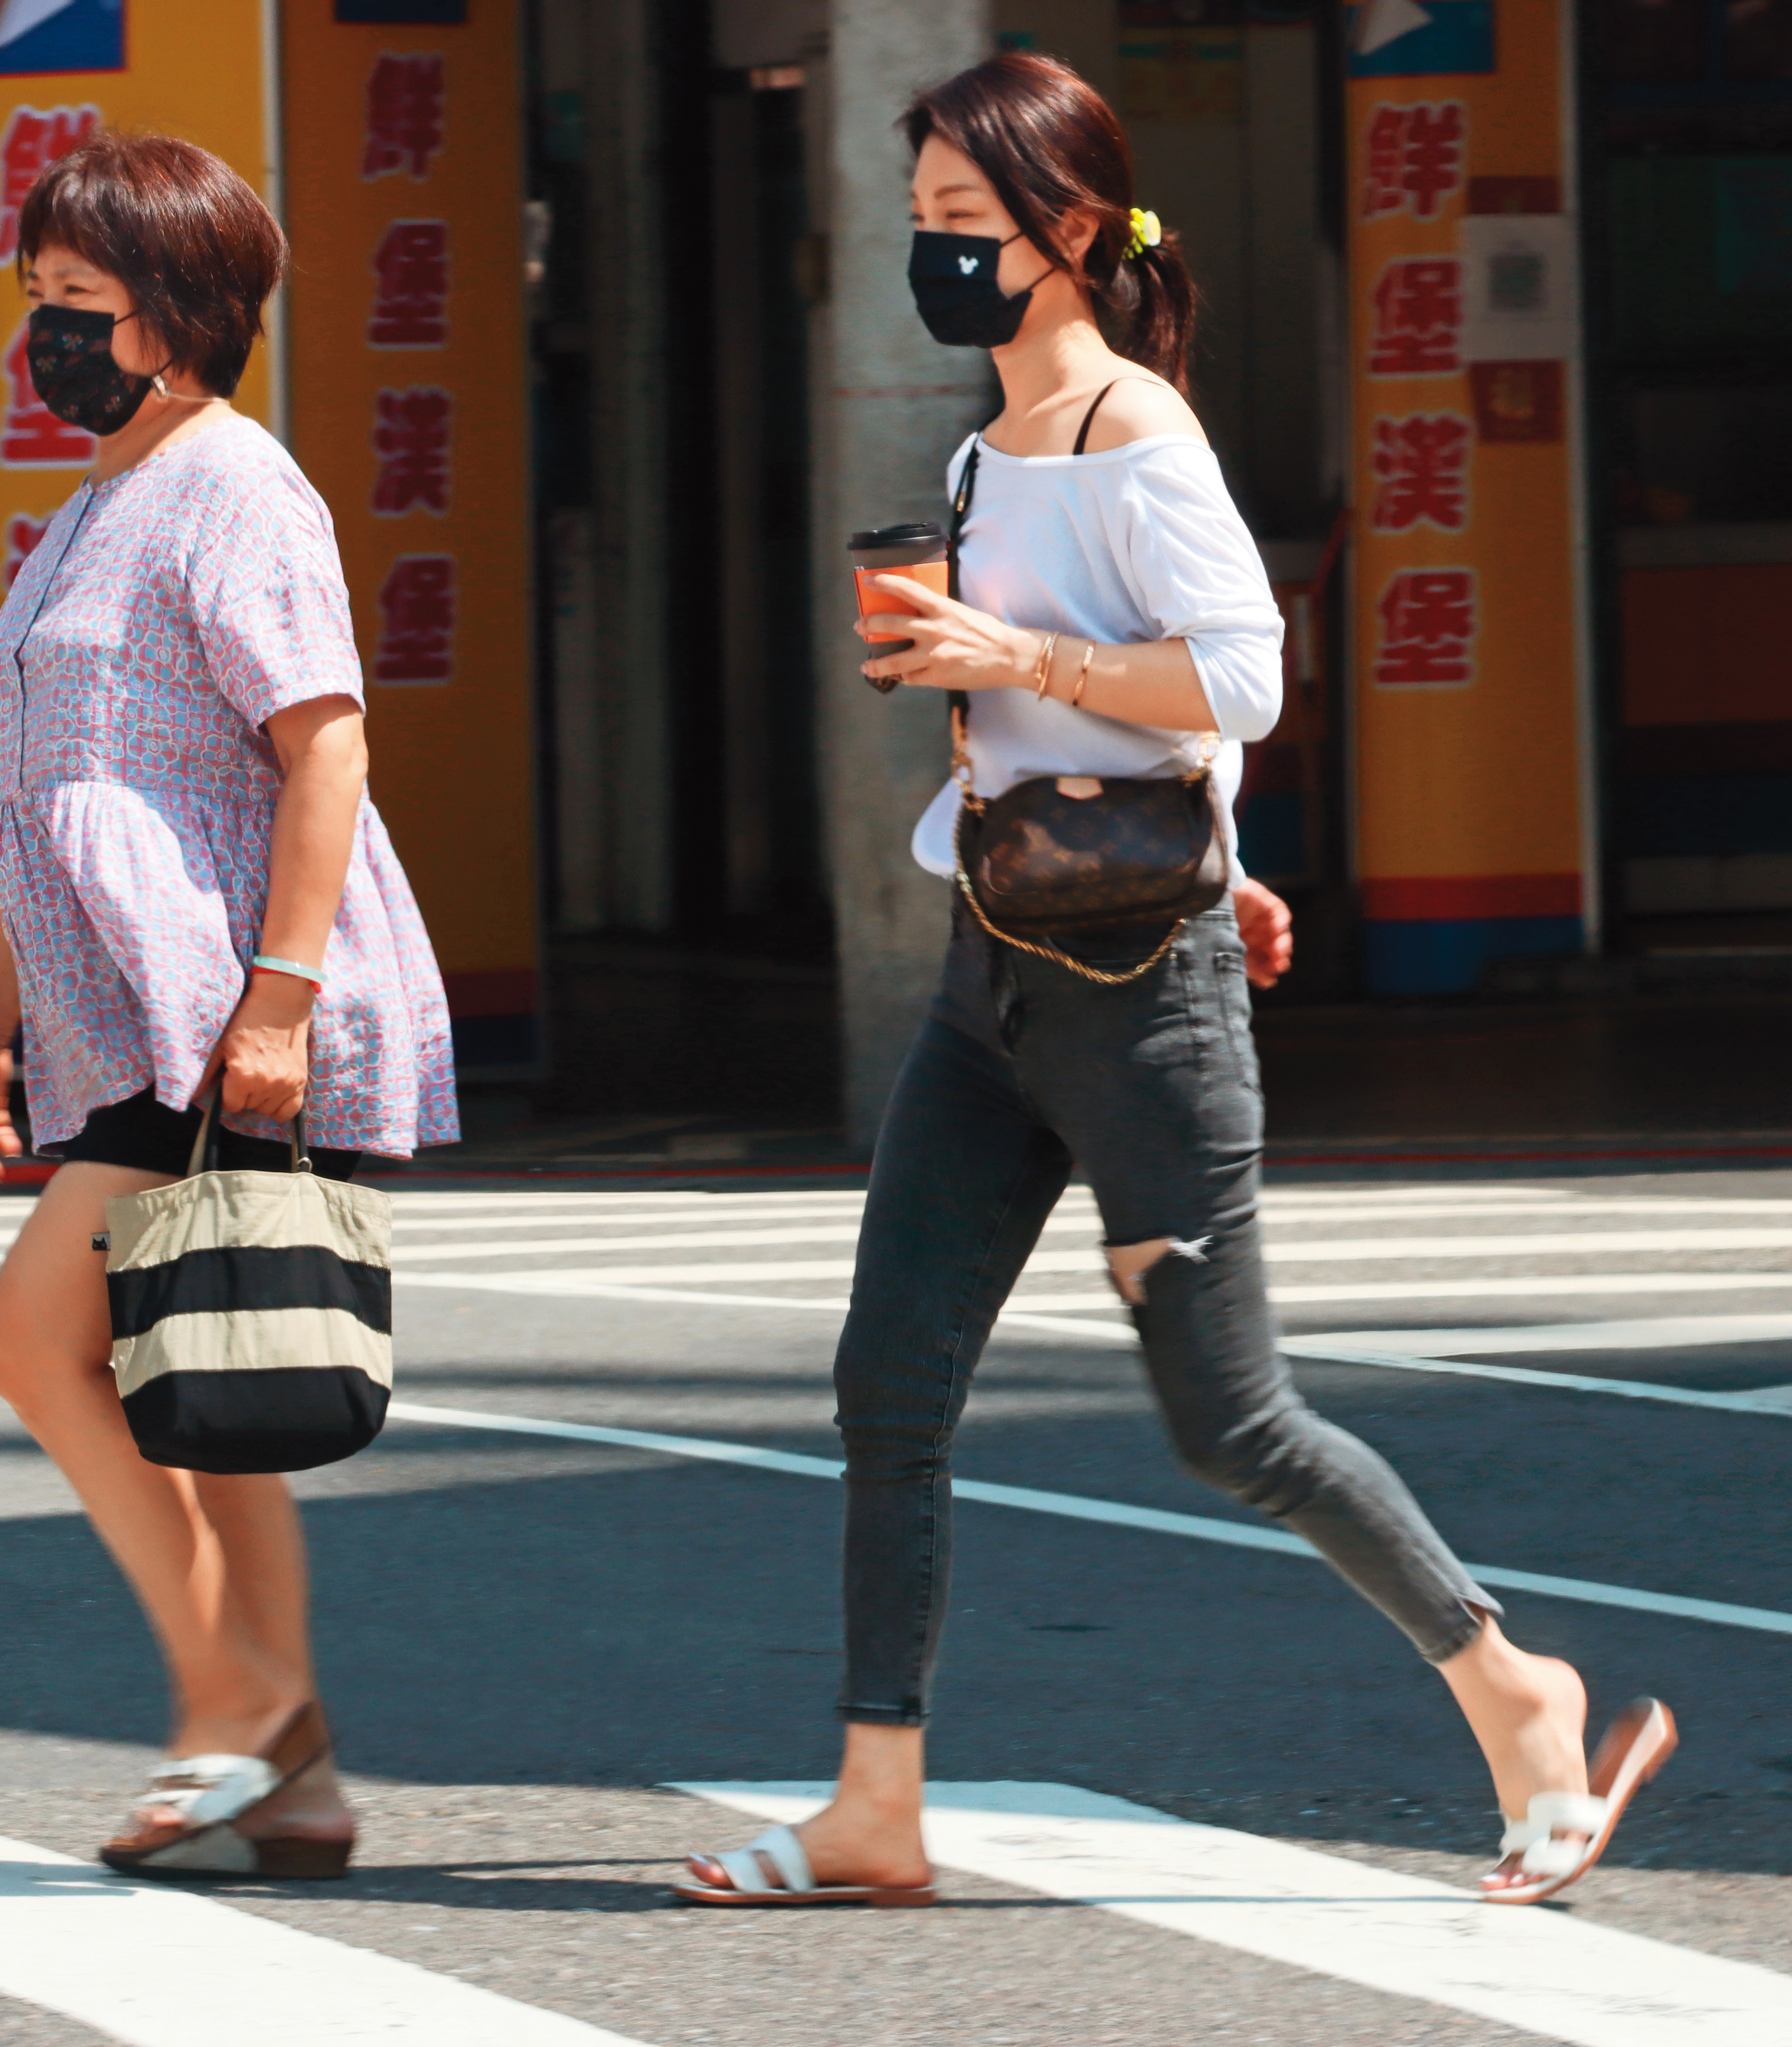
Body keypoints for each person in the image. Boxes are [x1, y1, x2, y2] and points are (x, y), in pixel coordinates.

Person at [676, 53, 1670, 1910]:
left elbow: (1243, 671)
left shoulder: (1142, 433)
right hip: (996, 975)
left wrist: (1014, 649)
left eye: (964, 229)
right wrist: (1127, 771)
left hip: (1140, 1002)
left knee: (1230, 1419)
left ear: (1066, 233)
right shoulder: (984, 455)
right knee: (886, 1385)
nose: (934, 260)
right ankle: (870, 1806)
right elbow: (1126, 727)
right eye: (917, 229)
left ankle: (1513, 1685)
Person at [0, 129, 458, 1881]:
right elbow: (55, 798)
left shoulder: (239, 490)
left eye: (75, 304)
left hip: (220, 1003)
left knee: (33, 1339)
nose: (44, 336)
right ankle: (292, 1775)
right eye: (39, 301)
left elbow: (327, 746)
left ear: (172, 315)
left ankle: (229, 1700)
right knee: (204, 1392)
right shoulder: (98, 506)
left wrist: (282, 999)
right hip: (120, 1012)